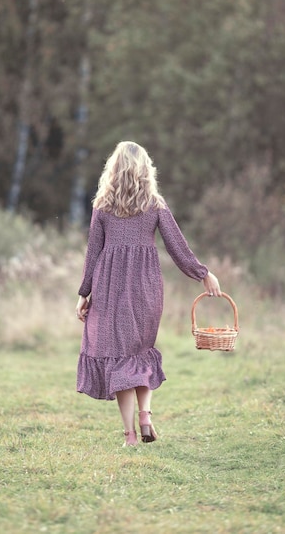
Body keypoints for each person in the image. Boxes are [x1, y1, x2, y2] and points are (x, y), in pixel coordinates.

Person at [75, 141, 221, 447]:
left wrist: (84, 293)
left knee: (119, 358)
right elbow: (177, 246)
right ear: (145, 170)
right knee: (140, 352)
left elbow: (93, 253)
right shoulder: (155, 205)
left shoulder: (102, 206)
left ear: (112, 170)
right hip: (146, 288)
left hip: (110, 288)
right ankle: (145, 415)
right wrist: (203, 274)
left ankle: (129, 434)